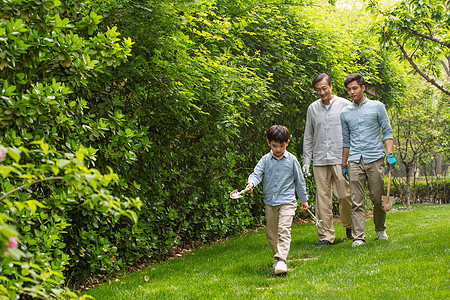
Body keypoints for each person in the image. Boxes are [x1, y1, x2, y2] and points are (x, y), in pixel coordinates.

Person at [340, 73, 397, 247]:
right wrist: (344, 164)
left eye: (355, 88)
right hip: (355, 160)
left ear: (363, 88)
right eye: (349, 89)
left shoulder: (378, 107)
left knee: (377, 197)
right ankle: (359, 237)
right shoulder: (345, 113)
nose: (351, 92)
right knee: (357, 200)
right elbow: (346, 141)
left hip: (375, 158)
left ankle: (380, 228)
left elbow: (387, 132)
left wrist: (389, 153)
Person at [245, 125, 309, 274]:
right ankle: (277, 256)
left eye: (281, 146)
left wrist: (303, 200)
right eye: (275, 146)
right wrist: (251, 183)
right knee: (271, 234)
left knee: (284, 230)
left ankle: (281, 259)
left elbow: (299, 181)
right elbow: (256, 173)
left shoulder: (292, 160)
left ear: (287, 143)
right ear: (269, 143)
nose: (278, 149)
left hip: (287, 201)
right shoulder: (265, 160)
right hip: (270, 202)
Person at [302, 73, 353, 246]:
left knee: (345, 195)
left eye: (324, 88)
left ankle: (350, 226)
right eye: (318, 90)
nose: (322, 92)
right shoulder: (312, 109)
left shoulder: (345, 105)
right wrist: (306, 161)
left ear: (331, 86)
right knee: (322, 198)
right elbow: (308, 136)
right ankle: (326, 236)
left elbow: (352, 132)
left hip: (341, 158)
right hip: (320, 159)